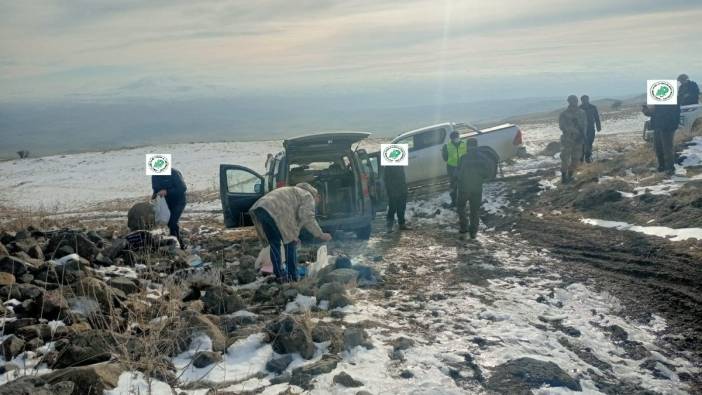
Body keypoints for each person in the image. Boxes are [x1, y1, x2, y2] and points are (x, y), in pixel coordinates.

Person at [249, 183, 332, 282]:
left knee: (274, 244)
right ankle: (293, 276)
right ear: (316, 195)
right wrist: (320, 234)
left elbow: (297, 219)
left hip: (260, 208)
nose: (317, 203)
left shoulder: (294, 191)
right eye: (318, 199)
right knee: (290, 243)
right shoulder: (308, 195)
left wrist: (294, 233)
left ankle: (279, 275)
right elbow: (307, 217)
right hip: (276, 210)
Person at [455, 138, 491, 238]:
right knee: (475, 210)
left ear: (467, 146)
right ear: (477, 145)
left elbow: (457, 174)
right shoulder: (483, 158)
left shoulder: (463, 158)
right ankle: (473, 232)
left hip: (464, 188)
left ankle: (464, 227)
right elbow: (487, 173)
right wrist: (479, 178)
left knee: (461, 207)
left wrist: (459, 180)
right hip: (477, 188)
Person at [151, 168, 188, 249]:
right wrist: (154, 197)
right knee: (170, 223)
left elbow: (183, 188)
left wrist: (167, 191)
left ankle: (179, 245)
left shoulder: (174, 173)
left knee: (172, 223)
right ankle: (175, 244)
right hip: (165, 203)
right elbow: (155, 189)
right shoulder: (154, 176)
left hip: (179, 201)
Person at [642, 104, 680, 175]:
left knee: (667, 148)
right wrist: (647, 111)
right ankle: (661, 167)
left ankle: (670, 168)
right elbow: (653, 113)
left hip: (668, 125)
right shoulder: (656, 98)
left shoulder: (670, 97)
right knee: (658, 147)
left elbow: (672, 111)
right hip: (657, 125)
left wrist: (655, 108)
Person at [558, 95, 587, 184]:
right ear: (569, 102)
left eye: (575, 100)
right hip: (568, 139)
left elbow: (585, 124)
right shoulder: (564, 114)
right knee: (565, 159)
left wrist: (583, 135)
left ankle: (570, 176)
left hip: (579, 140)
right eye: (572, 100)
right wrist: (575, 132)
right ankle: (564, 177)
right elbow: (562, 126)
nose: (574, 102)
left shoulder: (582, 112)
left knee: (576, 159)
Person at [441, 131, 467, 206]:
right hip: (452, 168)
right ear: (451, 138)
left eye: (457, 137)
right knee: (453, 186)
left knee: (463, 184)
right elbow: (445, 158)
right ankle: (454, 202)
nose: (456, 138)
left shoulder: (464, 143)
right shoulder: (446, 146)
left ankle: (463, 201)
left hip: (462, 167)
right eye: (455, 137)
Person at [383, 165, 410, 232]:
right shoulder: (388, 167)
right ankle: (389, 226)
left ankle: (402, 224)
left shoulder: (400, 165)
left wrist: (405, 189)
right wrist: (390, 191)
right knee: (392, 208)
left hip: (401, 189)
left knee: (401, 207)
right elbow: (387, 180)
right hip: (393, 190)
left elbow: (402, 177)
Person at [579, 95, 602, 163]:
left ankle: (588, 157)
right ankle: (581, 158)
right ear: (582, 100)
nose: (585, 101)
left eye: (586, 99)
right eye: (583, 100)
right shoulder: (579, 108)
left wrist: (598, 126)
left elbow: (596, 117)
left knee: (590, 143)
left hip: (591, 128)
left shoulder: (593, 107)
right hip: (582, 129)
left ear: (588, 99)